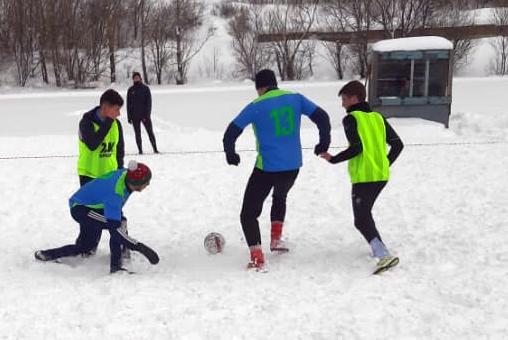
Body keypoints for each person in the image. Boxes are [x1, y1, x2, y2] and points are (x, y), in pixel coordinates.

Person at [223, 69, 331, 271]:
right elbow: (323, 118)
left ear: (260, 88)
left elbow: (230, 133)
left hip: (267, 168)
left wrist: (231, 154)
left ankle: (257, 257)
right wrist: (323, 144)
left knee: (248, 214)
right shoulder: (296, 98)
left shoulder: (256, 106)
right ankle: (276, 239)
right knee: (280, 198)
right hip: (292, 167)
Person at [319, 80, 404, 274]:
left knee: (361, 219)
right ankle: (378, 249)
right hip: (381, 176)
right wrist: (384, 164)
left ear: (354, 98)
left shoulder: (351, 119)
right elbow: (398, 145)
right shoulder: (378, 117)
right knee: (365, 214)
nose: (342, 104)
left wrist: (333, 159)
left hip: (364, 178)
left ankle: (383, 255)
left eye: (344, 99)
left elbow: (356, 148)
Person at [34, 161, 159, 274]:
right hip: (82, 209)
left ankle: (121, 253)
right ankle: (115, 267)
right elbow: (115, 230)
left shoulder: (126, 175)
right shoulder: (115, 195)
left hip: (93, 204)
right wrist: (140, 247)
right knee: (116, 226)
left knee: (92, 242)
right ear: (135, 184)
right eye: (145, 182)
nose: (148, 184)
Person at [77, 89, 126, 256]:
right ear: (105, 108)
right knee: (90, 215)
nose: (118, 114)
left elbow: (119, 151)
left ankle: (121, 247)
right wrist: (107, 123)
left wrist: (120, 172)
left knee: (116, 214)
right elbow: (93, 143)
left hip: (110, 177)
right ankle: (86, 247)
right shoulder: (86, 123)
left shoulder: (116, 124)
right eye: (116, 109)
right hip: (89, 176)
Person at [127, 72, 159, 154]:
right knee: (137, 134)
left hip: (145, 116)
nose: (136, 79)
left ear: (140, 78)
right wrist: (129, 117)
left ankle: (155, 149)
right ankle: (140, 150)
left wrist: (147, 115)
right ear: (133, 79)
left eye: (138, 77)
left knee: (150, 132)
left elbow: (149, 103)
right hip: (134, 116)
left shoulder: (145, 88)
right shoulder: (130, 90)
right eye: (135, 78)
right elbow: (128, 104)